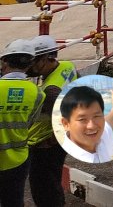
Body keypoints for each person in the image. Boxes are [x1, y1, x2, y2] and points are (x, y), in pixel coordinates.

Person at [26, 36, 77, 207]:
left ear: (47, 58)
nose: (30, 66)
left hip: (44, 145)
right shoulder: (67, 67)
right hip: (54, 143)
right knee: (52, 183)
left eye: (34, 61)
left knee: (44, 189)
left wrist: (53, 140)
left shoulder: (51, 91)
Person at [0, 40, 44, 207]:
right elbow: (30, 121)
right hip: (18, 159)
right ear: (29, 64)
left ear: (4, 61)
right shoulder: (37, 93)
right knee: (14, 201)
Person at [57, 85, 113, 164]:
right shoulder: (66, 160)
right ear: (66, 124)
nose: (91, 126)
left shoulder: (102, 136)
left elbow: (109, 122)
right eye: (82, 119)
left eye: (96, 116)